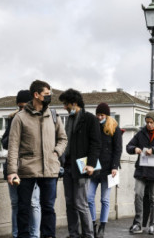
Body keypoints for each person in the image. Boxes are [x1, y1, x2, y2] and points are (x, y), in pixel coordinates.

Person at [7, 80, 68, 238]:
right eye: (46, 94)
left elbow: (63, 139)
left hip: (50, 169)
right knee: (23, 208)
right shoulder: (20, 118)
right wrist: (12, 171)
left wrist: (56, 152)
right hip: (27, 169)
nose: (49, 97)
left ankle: (48, 236)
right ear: (36, 95)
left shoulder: (53, 115)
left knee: (48, 207)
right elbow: (13, 146)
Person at [58, 89, 100, 238]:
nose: (64, 107)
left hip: (82, 167)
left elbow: (95, 144)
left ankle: (89, 234)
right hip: (68, 166)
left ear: (74, 103)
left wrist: (91, 164)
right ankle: (73, 234)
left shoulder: (90, 119)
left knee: (81, 203)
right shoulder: (69, 119)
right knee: (70, 203)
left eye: (66, 104)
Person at [2, 90, 41, 238]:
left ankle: (34, 235)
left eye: (24, 106)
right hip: (13, 167)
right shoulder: (13, 119)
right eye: (19, 107)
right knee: (15, 203)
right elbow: (4, 142)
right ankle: (16, 234)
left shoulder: (39, 119)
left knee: (33, 203)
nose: (22, 110)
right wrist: (14, 135)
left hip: (32, 167)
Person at [87, 103, 122, 238]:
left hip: (108, 169)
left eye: (102, 115)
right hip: (95, 168)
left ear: (107, 115)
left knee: (105, 200)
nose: (100, 117)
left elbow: (118, 149)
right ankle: (92, 224)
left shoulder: (114, 128)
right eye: (98, 115)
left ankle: (102, 226)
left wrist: (115, 166)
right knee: (89, 197)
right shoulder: (94, 127)